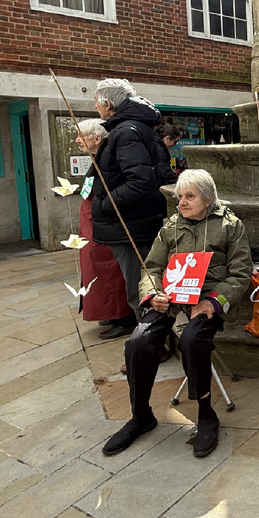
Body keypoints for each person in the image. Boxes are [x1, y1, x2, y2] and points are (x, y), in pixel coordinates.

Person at [103, 169, 251, 458]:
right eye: (180, 196)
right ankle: (141, 416)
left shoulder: (230, 225)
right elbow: (152, 267)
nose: (181, 202)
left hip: (206, 301)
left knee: (192, 341)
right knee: (138, 341)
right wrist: (152, 294)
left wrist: (214, 302)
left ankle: (207, 415)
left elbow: (240, 273)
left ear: (207, 199)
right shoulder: (170, 227)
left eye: (189, 196)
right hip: (171, 298)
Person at [90, 78, 171, 340]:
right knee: (144, 284)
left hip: (132, 225)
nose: (95, 106)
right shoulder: (136, 128)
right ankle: (151, 341)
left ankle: (151, 345)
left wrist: (103, 204)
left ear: (106, 102)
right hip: (136, 222)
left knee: (142, 288)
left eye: (96, 101)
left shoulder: (126, 131)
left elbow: (140, 182)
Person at [74, 119, 133, 328]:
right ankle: (108, 311)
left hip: (102, 224)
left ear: (97, 139)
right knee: (94, 268)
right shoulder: (96, 159)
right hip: (92, 223)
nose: (77, 140)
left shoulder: (109, 162)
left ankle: (121, 315)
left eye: (82, 136)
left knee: (108, 270)